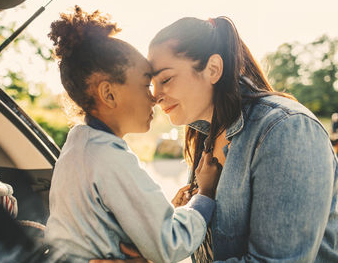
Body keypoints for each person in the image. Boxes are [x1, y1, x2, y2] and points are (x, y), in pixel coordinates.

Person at [95, 16, 338, 262]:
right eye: (151, 84)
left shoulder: (285, 129)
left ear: (213, 69)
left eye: (166, 79)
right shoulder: (204, 135)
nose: (155, 96)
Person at [44, 7, 222, 263]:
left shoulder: (79, 146)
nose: (154, 98)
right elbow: (170, 245)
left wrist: (165, 213)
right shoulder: (109, 159)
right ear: (109, 94)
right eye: (145, 85)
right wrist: (204, 195)